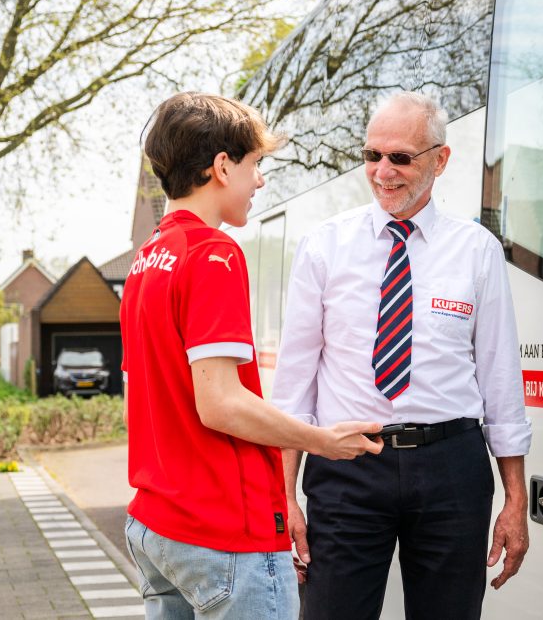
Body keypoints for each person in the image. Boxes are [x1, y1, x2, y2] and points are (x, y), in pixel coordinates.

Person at [120, 92, 386, 620]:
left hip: (157, 525)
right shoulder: (213, 253)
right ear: (221, 167)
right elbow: (219, 404)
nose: (259, 181)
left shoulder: (146, 260)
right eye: (254, 165)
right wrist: (322, 441)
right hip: (222, 532)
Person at [271, 91, 532, 620]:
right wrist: (284, 496)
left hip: (451, 467)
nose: (382, 171)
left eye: (400, 158)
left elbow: (500, 379)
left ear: (440, 160)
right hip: (345, 465)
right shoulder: (324, 246)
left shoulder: (477, 249)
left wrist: (515, 499)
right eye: (372, 156)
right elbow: (294, 384)